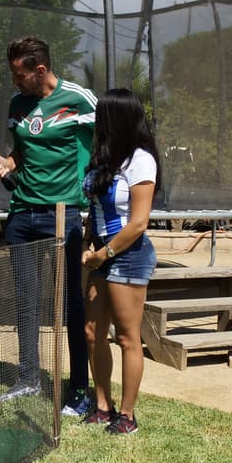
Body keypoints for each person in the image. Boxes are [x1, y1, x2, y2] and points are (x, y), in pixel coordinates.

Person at [0, 35, 95, 415]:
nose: (15, 82)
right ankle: (28, 378)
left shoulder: (79, 100)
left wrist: (91, 190)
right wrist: (8, 164)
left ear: (41, 70)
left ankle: (79, 389)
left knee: (71, 305)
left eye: (20, 75)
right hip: (21, 215)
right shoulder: (19, 103)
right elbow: (22, 151)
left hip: (60, 216)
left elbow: (108, 144)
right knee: (26, 301)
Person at [79, 89, 159, 435]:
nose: (99, 123)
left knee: (127, 338)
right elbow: (94, 210)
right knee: (93, 334)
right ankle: (102, 405)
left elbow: (138, 223)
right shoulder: (104, 159)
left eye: (103, 116)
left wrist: (103, 254)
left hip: (127, 257)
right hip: (100, 255)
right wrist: (88, 244)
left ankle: (127, 416)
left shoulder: (141, 160)